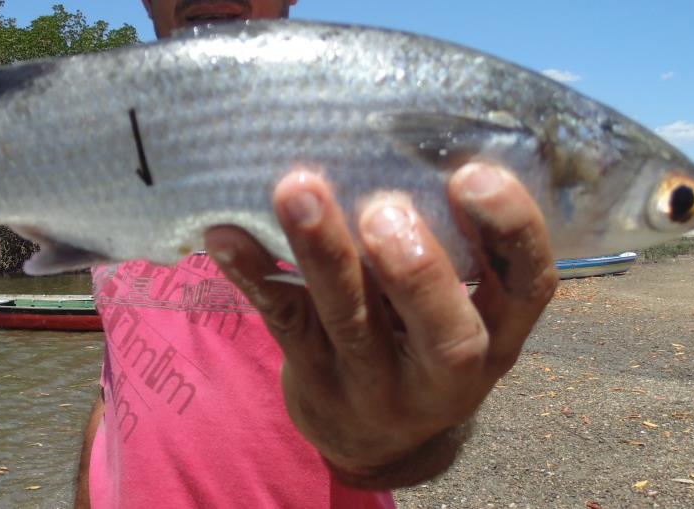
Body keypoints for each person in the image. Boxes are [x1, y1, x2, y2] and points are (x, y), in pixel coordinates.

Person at [76, 1, 558, 507]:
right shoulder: (113, 159)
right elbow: (115, 391)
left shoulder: (371, 151)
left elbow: (413, 420)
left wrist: (385, 439)